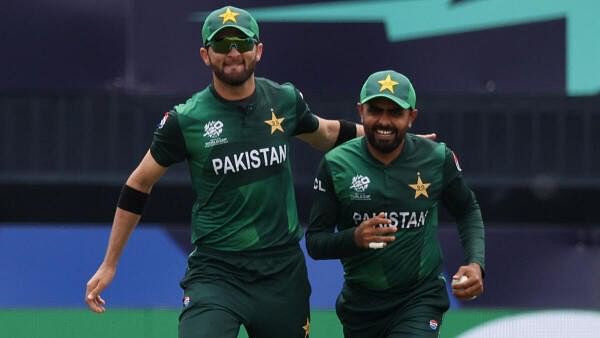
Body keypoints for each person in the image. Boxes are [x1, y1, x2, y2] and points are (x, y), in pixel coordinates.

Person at [84, 5, 366, 338]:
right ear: (205, 55)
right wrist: (110, 262)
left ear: (258, 50)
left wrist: (388, 138)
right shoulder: (186, 119)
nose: (233, 53)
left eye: (242, 43)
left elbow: (327, 133)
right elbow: (138, 184)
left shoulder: (283, 100)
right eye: (221, 45)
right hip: (216, 273)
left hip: (280, 273)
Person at [306, 70, 485, 338]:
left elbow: (467, 209)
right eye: (375, 110)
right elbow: (315, 243)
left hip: (419, 297)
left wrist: (475, 264)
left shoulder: (436, 158)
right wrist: (355, 237)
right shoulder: (336, 164)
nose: (384, 121)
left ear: (411, 117)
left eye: (395, 113)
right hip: (361, 305)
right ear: (360, 111)